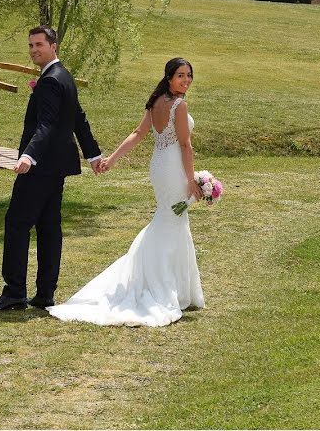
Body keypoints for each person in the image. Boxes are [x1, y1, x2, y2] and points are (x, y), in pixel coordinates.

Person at [47, 57, 205, 327]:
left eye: (189, 75)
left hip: (159, 166)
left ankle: (175, 285)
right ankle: (163, 286)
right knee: (172, 220)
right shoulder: (179, 105)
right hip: (173, 168)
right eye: (181, 75)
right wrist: (192, 180)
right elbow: (185, 146)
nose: (186, 80)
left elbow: (139, 133)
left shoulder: (156, 101)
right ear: (169, 77)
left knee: (170, 219)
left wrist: (113, 159)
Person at [0, 25, 103, 312]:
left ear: (53, 46)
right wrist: (93, 155)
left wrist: (29, 156)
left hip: (41, 166)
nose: (34, 50)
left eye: (39, 45)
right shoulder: (64, 77)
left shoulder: (50, 80)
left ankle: (14, 293)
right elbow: (78, 120)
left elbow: (47, 124)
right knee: (48, 227)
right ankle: (45, 293)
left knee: (17, 223)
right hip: (56, 166)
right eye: (31, 45)